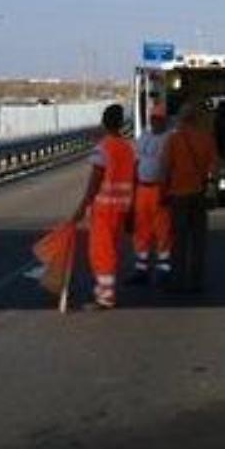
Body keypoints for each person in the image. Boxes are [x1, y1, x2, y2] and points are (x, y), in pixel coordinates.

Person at [73, 103, 136, 309]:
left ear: (104, 122)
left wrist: (82, 206)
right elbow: (134, 177)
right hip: (122, 207)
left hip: (105, 209)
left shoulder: (104, 147)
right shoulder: (127, 148)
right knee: (112, 249)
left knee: (101, 251)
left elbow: (95, 181)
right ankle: (105, 292)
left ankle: (105, 297)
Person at [163, 101, 218, 293]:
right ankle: (196, 280)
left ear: (180, 119)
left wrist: (164, 191)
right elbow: (213, 169)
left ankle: (177, 279)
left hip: (178, 195)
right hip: (198, 195)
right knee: (198, 240)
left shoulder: (173, 140)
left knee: (178, 240)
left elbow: (166, 168)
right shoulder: (206, 139)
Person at [129, 104, 173, 285]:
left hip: (159, 189)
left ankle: (164, 269)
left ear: (164, 120)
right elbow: (135, 162)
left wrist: (165, 190)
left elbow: (169, 167)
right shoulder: (144, 137)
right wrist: (133, 190)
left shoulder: (169, 139)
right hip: (142, 189)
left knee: (162, 229)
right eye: (153, 119)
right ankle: (142, 268)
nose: (155, 122)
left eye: (158, 119)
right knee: (141, 229)